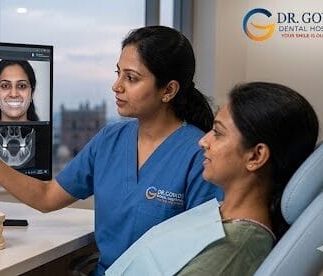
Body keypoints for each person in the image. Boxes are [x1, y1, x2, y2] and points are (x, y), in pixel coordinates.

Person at [0, 25, 223, 274]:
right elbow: (46, 197)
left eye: (131, 78)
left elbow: (206, 259)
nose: (116, 86)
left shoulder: (200, 155)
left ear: (168, 90)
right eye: (118, 73)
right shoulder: (110, 140)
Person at [107, 82, 319, 275]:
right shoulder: (220, 214)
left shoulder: (236, 245)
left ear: (255, 156)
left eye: (217, 133)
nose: (203, 141)